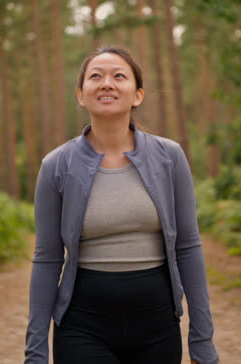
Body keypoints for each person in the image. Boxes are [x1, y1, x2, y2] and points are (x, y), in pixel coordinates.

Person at [24, 45, 219, 364]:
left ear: (137, 95)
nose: (106, 83)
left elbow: (188, 247)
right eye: (95, 76)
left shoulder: (169, 157)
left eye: (119, 76)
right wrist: (35, 352)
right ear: (81, 95)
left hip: (158, 327)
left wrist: (202, 339)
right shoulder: (56, 165)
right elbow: (46, 259)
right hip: (82, 328)